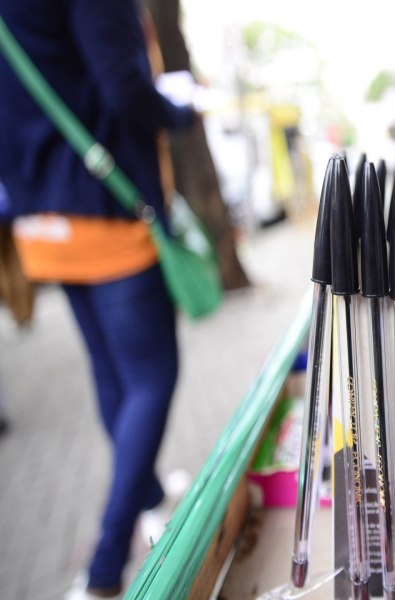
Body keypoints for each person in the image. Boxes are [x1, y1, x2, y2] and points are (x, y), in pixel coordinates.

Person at [0, 2, 195, 598]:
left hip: (39, 219)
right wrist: (181, 111)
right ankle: (105, 568)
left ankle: (151, 499)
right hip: (104, 210)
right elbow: (122, 87)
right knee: (153, 378)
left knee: (114, 374)